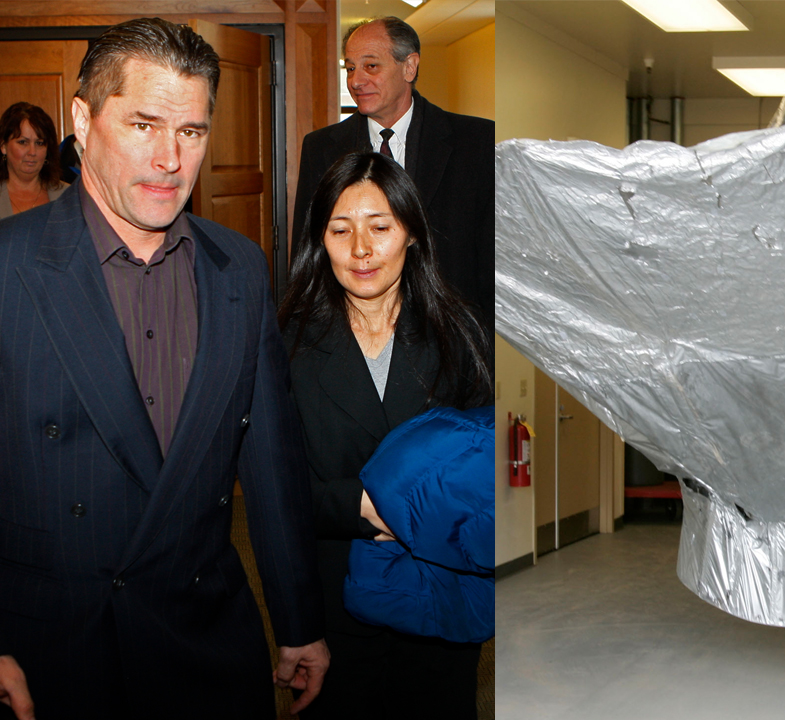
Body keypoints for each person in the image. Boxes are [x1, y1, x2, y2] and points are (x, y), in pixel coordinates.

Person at [0, 18, 328, 720]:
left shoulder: (238, 267)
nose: (170, 160)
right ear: (83, 122)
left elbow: (270, 460)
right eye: (144, 124)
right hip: (51, 654)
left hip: (206, 643)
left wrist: (299, 621)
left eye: (191, 132)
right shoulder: (8, 265)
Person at [278, 151, 493, 719]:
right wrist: (363, 507)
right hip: (335, 601)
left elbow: (491, 467)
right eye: (340, 230)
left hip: (441, 598)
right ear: (319, 240)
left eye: (381, 228)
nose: (361, 250)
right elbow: (276, 486)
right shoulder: (288, 344)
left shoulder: (459, 333)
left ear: (413, 234)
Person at [292, 16, 494, 332]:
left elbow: (489, 260)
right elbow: (307, 254)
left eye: (370, 66)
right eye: (350, 68)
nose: (356, 81)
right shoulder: (321, 148)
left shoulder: (477, 142)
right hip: (352, 336)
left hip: (450, 335)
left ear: (409, 67)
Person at [0, 102, 68, 218]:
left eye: (39, 143)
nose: (32, 152)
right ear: (3, 146)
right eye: (23, 142)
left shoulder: (69, 195)